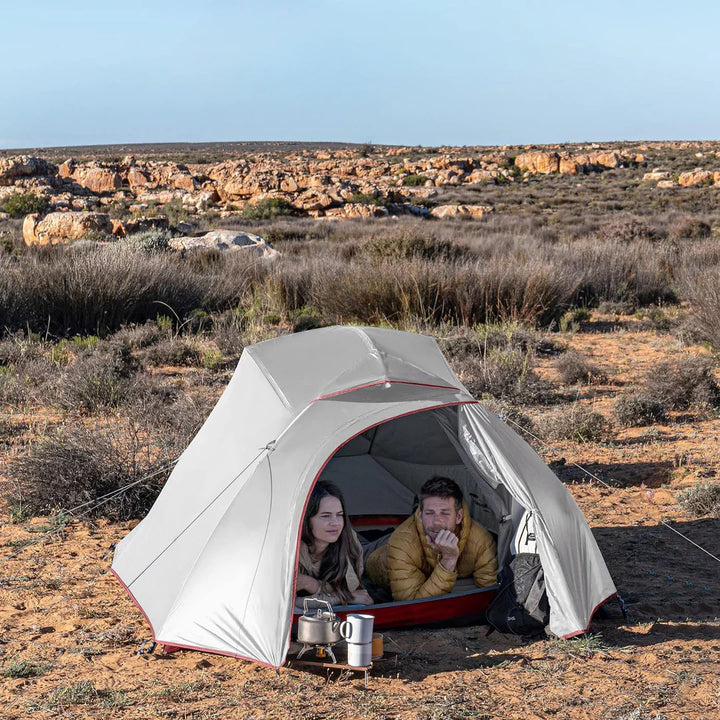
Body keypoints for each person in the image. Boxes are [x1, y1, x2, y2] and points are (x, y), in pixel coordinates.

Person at [365, 476, 497, 601]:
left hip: (411, 543)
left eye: (444, 513)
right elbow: (412, 606)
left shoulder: (480, 540)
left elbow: (491, 594)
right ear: (421, 515)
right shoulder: (402, 543)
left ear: (458, 517)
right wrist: (448, 561)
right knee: (357, 551)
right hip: (377, 556)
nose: (436, 522)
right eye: (430, 513)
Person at [295, 481, 374, 607]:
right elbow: (291, 606)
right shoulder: (292, 550)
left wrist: (313, 585)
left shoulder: (349, 541)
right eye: (326, 516)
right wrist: (341, 598)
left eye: (339, 515)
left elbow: (356, 592)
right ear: (306, 519)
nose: (335, 523)